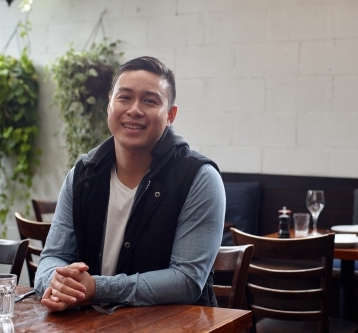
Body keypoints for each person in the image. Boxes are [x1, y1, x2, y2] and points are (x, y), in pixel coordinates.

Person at [34, 56, 225, 312]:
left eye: (149, 100)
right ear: (109, 106)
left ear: (170, 115)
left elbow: (187, 280)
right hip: (92, 325)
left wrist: (97, 288)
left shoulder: (199, 178)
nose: (134, 109)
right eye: (124, 97)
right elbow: (52, 257)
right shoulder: (83, 175)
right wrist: (56, 283)